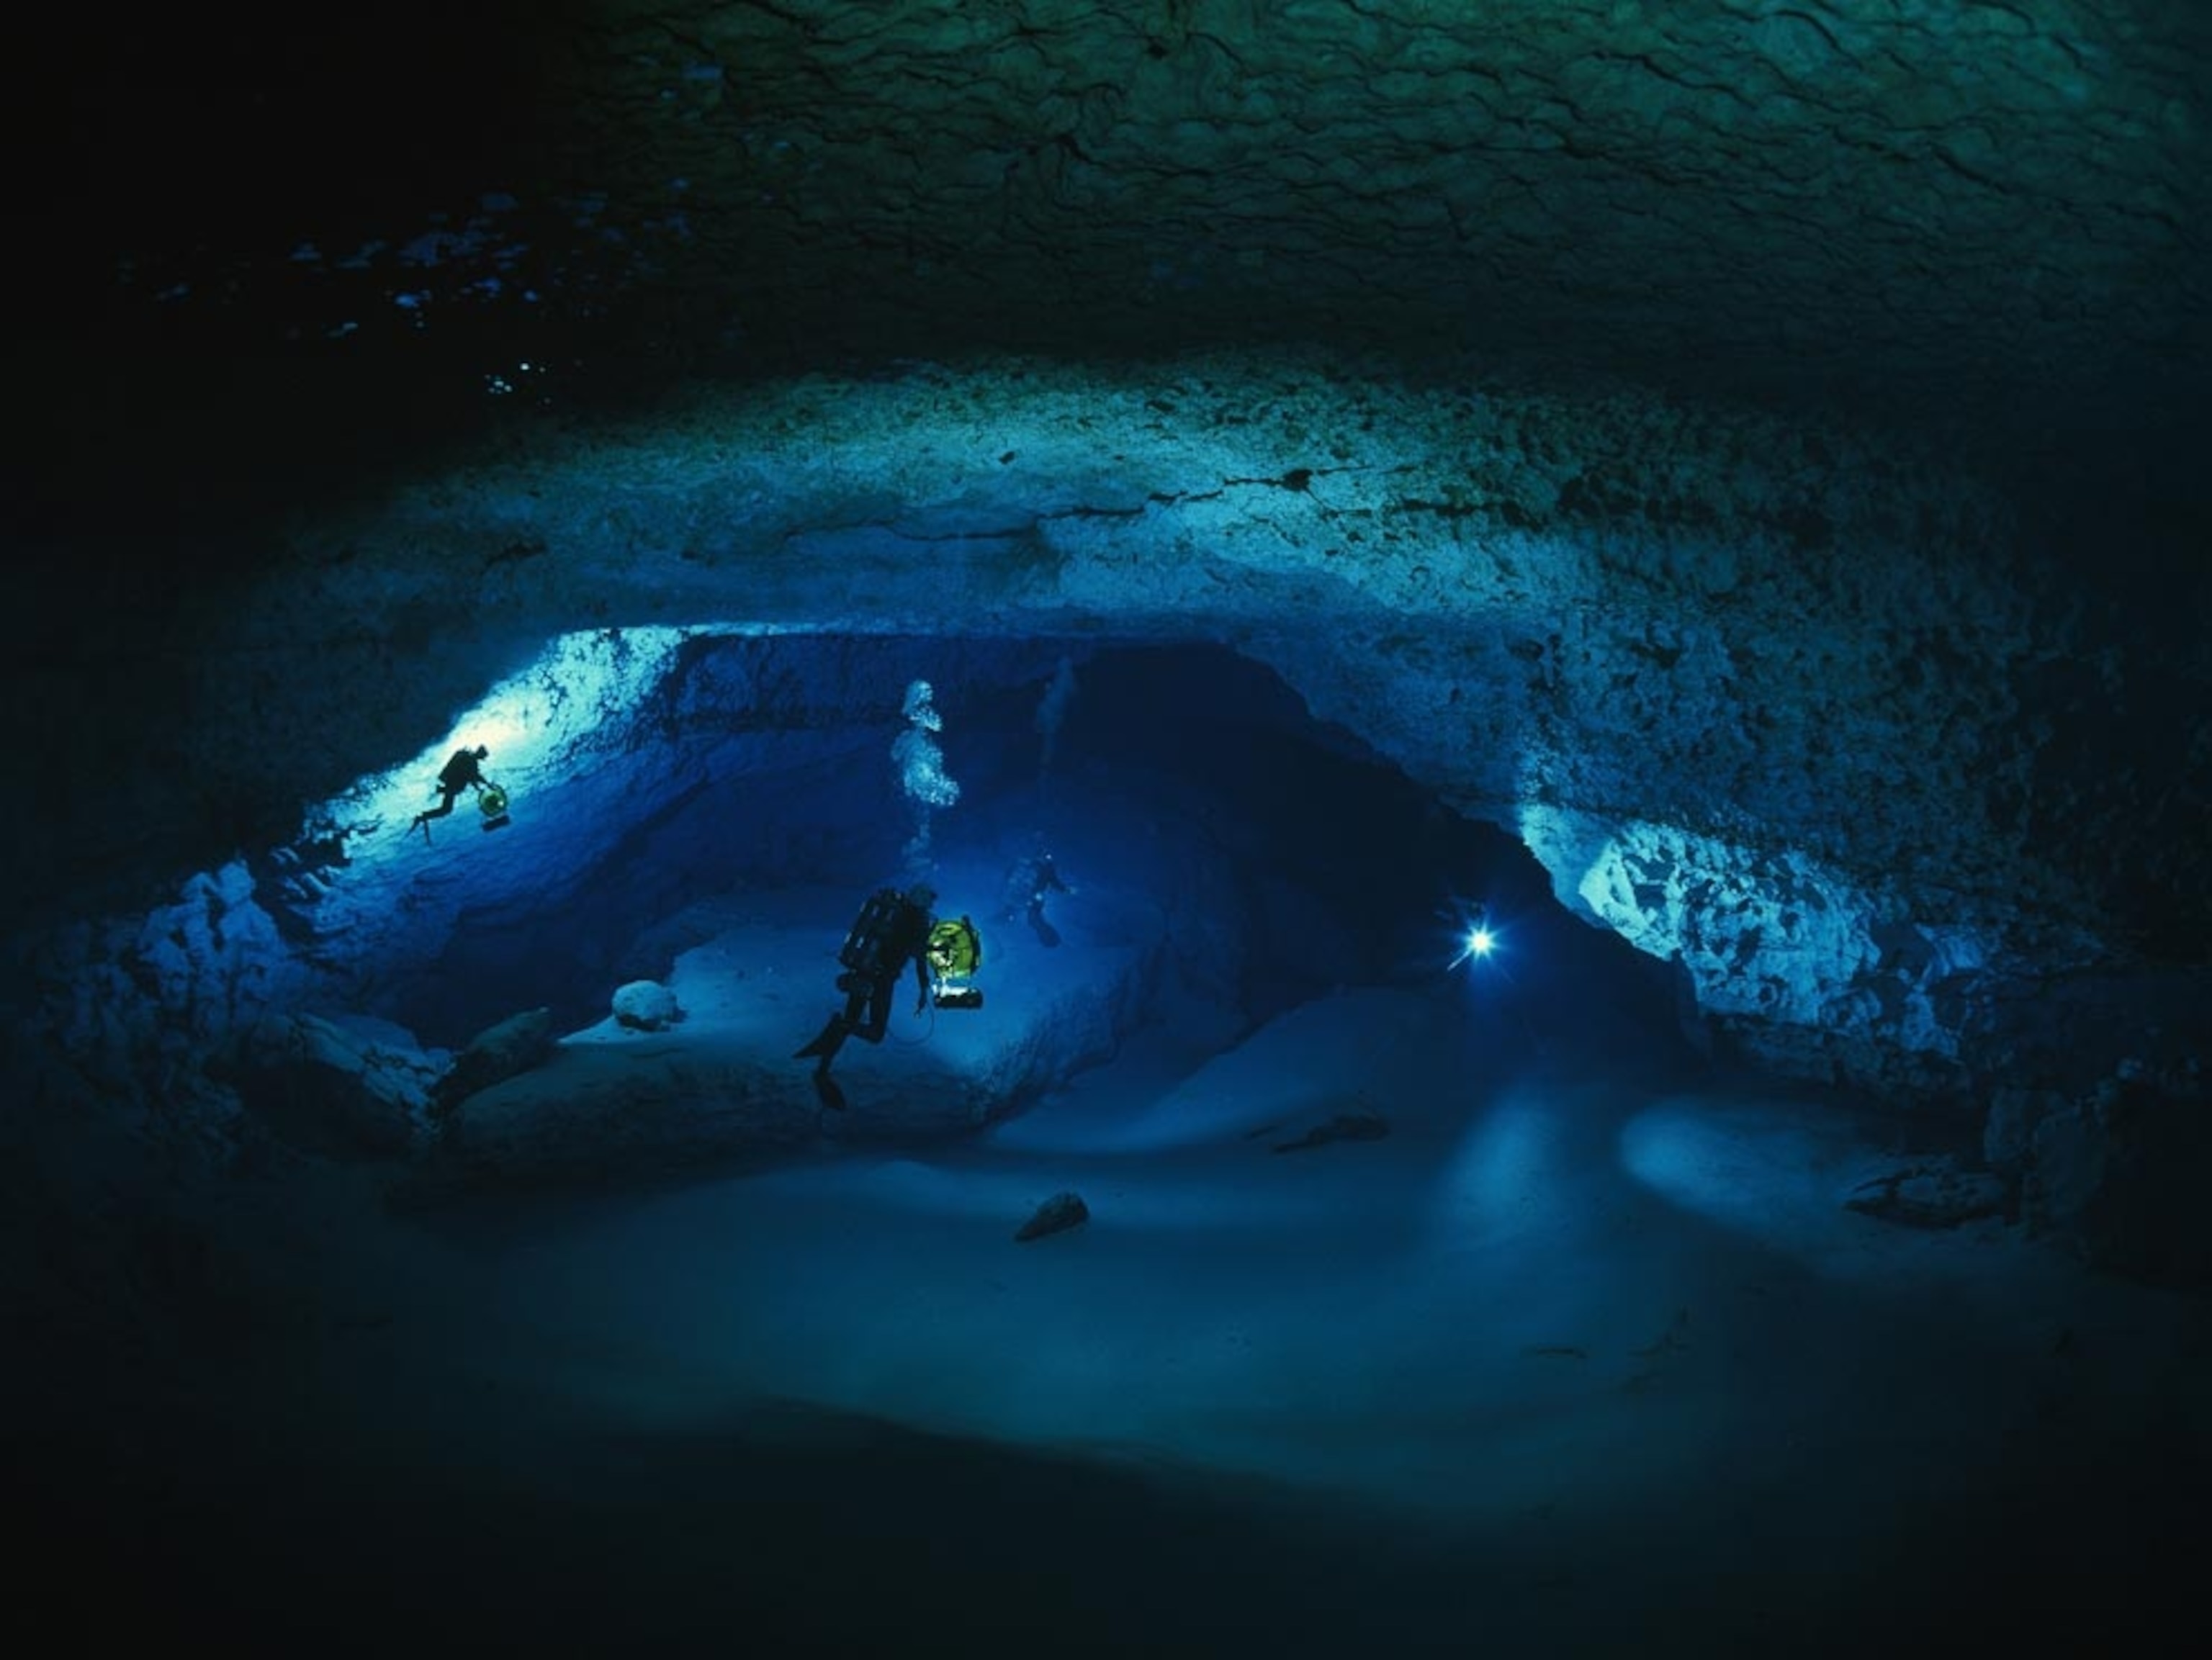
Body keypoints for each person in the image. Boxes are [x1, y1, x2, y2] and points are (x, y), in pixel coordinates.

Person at [796, 882, 938, 1106]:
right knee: (875, 1033)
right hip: (882, 979)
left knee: (851, 1019)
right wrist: (923, 986)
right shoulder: (917, 922)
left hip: (863, 969)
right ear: (924, 901)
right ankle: (837, 1030)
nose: (932, 904)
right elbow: (918, 957)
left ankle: (823, 1069)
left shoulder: (896, 912)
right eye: (931, 900)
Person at [411, 744, 490, 841]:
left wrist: (485, 784)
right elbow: (472, 776)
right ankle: (423, 817)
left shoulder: (470, 759)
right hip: (453, 786)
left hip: (452, 785)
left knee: (446, 809)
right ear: (480, 754)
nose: (482, 759)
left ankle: (424, 816)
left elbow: (475, 776)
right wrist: (479, 787)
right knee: (446, 809)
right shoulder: (471, 761)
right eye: (483, 757)